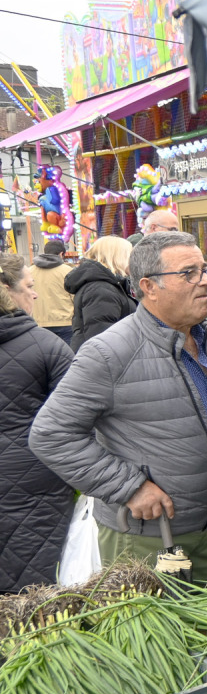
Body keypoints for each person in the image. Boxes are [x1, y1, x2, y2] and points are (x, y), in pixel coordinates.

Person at [30, 232, 207, 586]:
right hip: (152, 538)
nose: (206, 280)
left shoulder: (205, 336)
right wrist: (130, 487)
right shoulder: (110, 352)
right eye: (189, 273)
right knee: (159, 636)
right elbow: (51, 433)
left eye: (205, 270)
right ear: (149, 286)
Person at [0, 253, 75, 591]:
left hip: (31, 483)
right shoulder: (48, 348)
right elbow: (78, 421)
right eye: (29, 287)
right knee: (35, 593)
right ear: (7, 291)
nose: (35, 294)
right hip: (36, 488)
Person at [66, 235, 137, 351]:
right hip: (107, 361)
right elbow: (102, 337)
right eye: (129, 255)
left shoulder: (106, 284)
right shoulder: (101, 289)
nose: (133, 260)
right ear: (118, 257)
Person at [30, 239, 75, 345]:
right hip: (65, 323)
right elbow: (76, 298)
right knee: (67, 359)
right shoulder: (68, 271)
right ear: (61, 254)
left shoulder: (29, 271)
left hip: (38, 323)